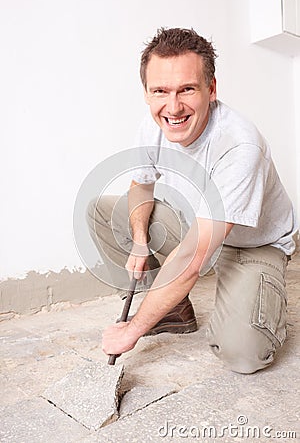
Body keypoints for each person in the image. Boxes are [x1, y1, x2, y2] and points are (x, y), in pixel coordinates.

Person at [87, 28, 298, 374]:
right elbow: (140, 186)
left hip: (250, 244)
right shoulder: (154, 125)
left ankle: (262, 304)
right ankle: (173, 310)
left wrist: (133, 330)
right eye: (160, 91)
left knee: (242, 353)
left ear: (211, 89)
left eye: (187, 89)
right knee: (103, 211)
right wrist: (140, 242)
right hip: (196, 224)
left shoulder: (240, 144)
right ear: (146, 93)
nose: (173, 107)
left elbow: (193, 256)